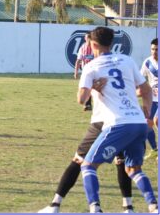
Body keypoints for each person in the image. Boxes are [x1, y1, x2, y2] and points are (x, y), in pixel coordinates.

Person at [78, 27, 157, 213]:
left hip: (118, 123)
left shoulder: (91, 67)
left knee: (88, 166)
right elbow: (146, 90)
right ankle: (154, 206)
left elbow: (81, 99)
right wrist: (146, 114)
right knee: (133, 169)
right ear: (111, 43)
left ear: (93, 44)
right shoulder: (127, 61)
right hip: (139, 123)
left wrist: (93, 88)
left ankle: (95, 208)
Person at [38, 79, 135, 213]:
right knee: (121, 161)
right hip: (123, 121)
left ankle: (56, 205)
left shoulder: (94, 68)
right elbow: (140, 89)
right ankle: (128, 208)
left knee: (78, 160)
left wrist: (91, 88)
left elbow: (81, 99)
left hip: (101, 122)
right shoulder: (124, 65)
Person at [140, 38, 158, 160]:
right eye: (152, 49)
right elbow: (141, 79)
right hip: (153, 99)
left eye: (157, 49)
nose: (154, 52)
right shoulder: (147, 62)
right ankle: (155, 149)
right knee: (146, 125)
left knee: (157, 121)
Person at [74, 33, 94, 111]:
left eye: (88, 38)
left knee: (92, 88)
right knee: (86, 87)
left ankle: (88, 104)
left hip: (94, 71)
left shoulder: (94, 47)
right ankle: (87, 104)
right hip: (85, 71)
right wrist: (76, 71)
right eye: (86, 38)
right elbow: (78, 60)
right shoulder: (82, 48)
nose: (87, 39)